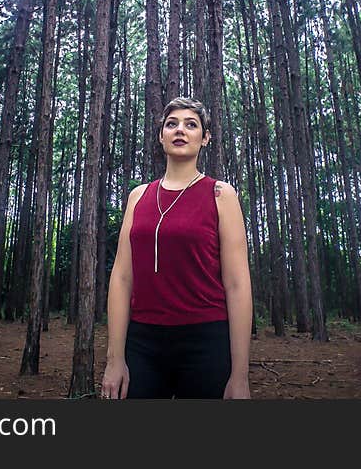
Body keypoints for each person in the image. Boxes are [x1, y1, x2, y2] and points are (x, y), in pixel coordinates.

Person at [100, 97, 253, 399]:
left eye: (191, 125)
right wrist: (114, 360)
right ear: (161, 136)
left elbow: (237, 285)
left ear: (205, 138)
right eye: (172, 124)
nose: (180, 130)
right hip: (142, 341)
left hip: (206, 341)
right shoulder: (138, 196)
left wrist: (240, 375)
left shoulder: (220, 194)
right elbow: (121, 278)